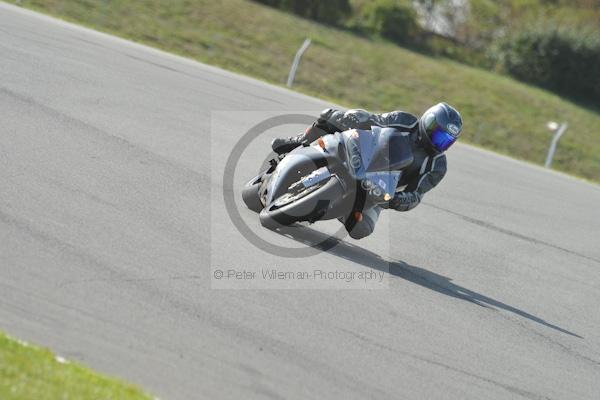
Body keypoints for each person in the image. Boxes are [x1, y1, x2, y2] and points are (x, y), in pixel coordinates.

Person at [271, 103, 463, 239]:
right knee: (330, 118)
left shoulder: (437, 165)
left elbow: (416, 194)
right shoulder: (404, 120)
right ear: (428, 122)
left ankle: (337, 208)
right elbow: (374, 120)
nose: (440, 143)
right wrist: (355, 117)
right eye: (438, 135)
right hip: (363, 153)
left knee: (361, 230)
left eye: (446, 140)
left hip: (380, 190)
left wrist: (399, 201)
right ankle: (299, 141)